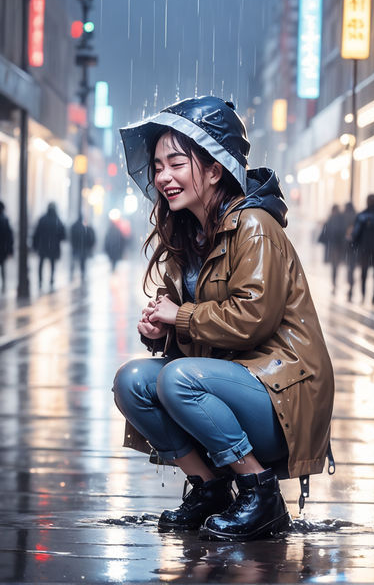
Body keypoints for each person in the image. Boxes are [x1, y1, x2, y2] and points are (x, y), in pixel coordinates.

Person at [113, 96, 335, 542]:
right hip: (235, 382)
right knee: (132, 381)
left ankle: (260, 493)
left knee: (178, 380)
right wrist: (161, 330)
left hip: (282, 390)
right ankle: (211, 488)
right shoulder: (190, 233)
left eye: (176, 163)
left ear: (215, 169)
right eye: (157, 166)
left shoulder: (254, 225)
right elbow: (192, 326)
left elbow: (253, 318)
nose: (163, 177)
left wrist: (182, 316)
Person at [350, 193, 374, 305]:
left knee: (364, 274)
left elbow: (355, 234)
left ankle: (364, 296)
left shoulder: (362, 216)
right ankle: (373, 298)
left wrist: (353, 244)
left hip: (365, 249)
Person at [32, 202, 66, 289]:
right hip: (53, 246)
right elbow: (63, 235)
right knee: (52, 263)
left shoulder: (42, 219)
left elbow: (36, 233)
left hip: (43, 246)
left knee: (41, 263)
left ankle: (40, 281)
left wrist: (35, 245)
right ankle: (51, 280)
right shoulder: (57, 220)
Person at [318, 204, 346, 294]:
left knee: (334, 266)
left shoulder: (330, 219)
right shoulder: (341, 220)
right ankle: (334, 283)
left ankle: (334, 283)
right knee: (335, 266)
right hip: (337, 247)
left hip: (333, 247)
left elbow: (325, 233)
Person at [69, 215, 96, 282]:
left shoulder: (74, 226)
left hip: (76, 247)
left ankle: (72, 274)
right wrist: (89, 246)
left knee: (74, 261)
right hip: (83, 248)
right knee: (82, 262)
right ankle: (82, 274)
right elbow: (91, 237)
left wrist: (73, 244)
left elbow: (71, 236)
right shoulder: (85, 227)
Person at [341, 202, 356, 301]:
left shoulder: (343, 217)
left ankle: (349, 287)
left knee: (348, 268)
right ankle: (350, 287)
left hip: (346, 247)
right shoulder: (357, 216)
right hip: (354, 248)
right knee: (351, 269)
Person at [0, 201, 14, 293]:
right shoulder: (5, 219)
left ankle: (4, 285)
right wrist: (10, 250)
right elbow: (10, 237)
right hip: (2, 248)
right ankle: (4, 285)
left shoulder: (5, 219)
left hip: (2, 247)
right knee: (3, 267)